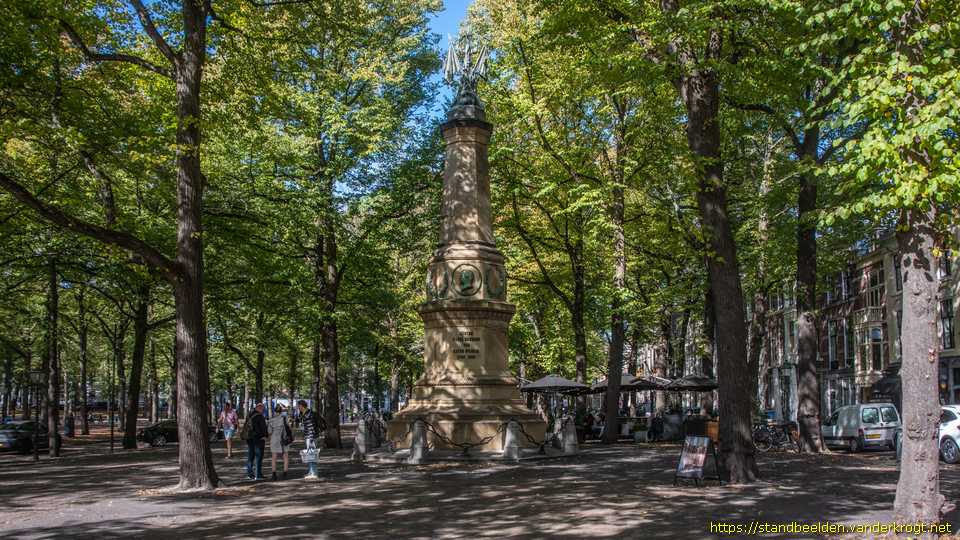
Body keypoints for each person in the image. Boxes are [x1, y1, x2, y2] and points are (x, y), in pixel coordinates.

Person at [244, 403, 268, 480]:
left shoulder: (249, 415)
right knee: (258, 456)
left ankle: (249, 473)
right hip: (258, 438)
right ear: (260, 408)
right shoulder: (260, 416)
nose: (263, 410)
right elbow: (263, 427)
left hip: (249, 437)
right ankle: (258, 474)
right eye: (263, 409)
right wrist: (265, 436)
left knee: (250, 456)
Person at [268, 404, 290, 480]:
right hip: (284, 438)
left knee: (274, 457)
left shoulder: (271, 420)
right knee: (285, 456)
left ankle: (274, 474)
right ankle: (285, 473)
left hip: (274, 439)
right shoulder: (284, 418)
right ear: (281, 411)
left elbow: (269, 432)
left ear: (275, 411)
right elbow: (288, 428)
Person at [297, 400, 318, 479]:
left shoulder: (308, 414)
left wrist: (311, 437)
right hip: (308, 436)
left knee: (312, 454)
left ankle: (314, 473)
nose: (298, 408)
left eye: (299, 406)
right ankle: (311, 471)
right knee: (310, 454)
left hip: (311, 437)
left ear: (302, 406)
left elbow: (311, 426)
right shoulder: (304, 413)